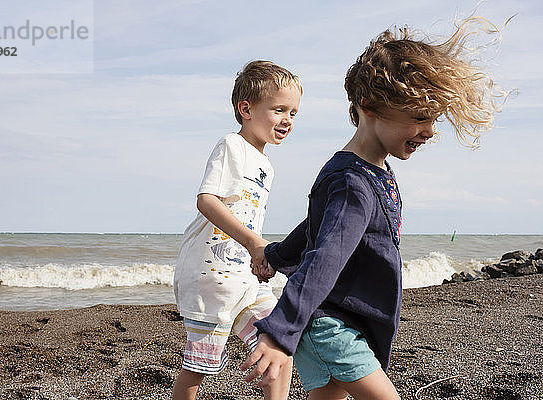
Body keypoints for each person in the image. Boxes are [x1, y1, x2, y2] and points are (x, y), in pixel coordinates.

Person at [241, 17, 508, 400]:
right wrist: (280, 330)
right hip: (330, 326)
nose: (430, 131)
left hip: (342, 322)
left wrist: (274, 253)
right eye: (419, 117)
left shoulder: (369, 170)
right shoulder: (353, 182)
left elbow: (315, 228)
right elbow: (325, 256)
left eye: (433, 119)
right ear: (369, 106)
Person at [171, 60, 302, 400]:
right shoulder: (232, 145)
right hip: (210, 277)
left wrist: (257, 255)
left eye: (293, 113)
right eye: (278, 110)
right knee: (198, 368)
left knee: (281, 343)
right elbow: (207, 201)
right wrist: (254, 242)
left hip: (243, 275)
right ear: (246, 108)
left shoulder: (266, 165)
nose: (287, 119)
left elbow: (249, 219)